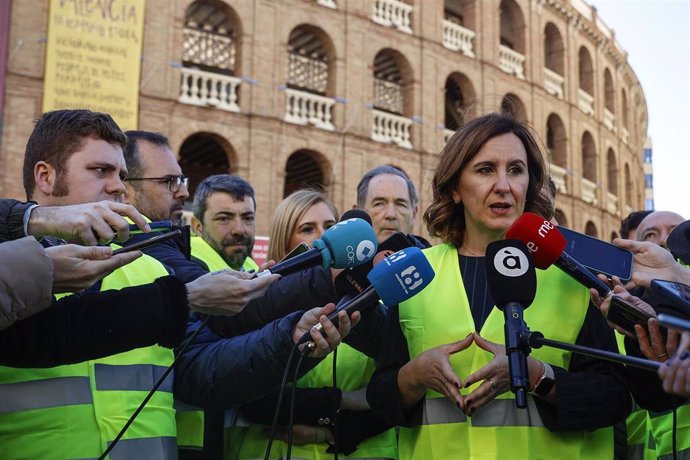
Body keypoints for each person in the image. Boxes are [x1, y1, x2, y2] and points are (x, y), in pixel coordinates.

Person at [0, 109, 279, 459]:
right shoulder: (9, 268)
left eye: (121, 174)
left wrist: (291, 337)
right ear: (46, 176)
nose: (118, 186)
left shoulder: (152, 269)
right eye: (100, 170)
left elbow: (205, 371)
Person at [367, 112, 631, 459]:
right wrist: (414, 376)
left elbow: (614, 398)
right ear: (454, 189)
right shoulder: (414, 274)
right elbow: (379, 397)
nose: (504, 185)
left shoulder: (573, 279)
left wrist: (537, 375)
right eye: (486, 169)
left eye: (516, 170)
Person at [229, 189, 396, 459]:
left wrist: (328, 430)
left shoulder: (369, 306)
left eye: (331, 227)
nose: (323, 237)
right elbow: (250, 396)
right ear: (287, 245)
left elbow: (392, 392)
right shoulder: (258, 305)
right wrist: (343, 400)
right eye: (307, 229)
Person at [355, 165, 430, 248]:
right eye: (379, 204)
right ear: (358, 215)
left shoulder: (431, 260)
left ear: (414, 214)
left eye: (400, 204)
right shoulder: (340, 259)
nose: (391, 215)